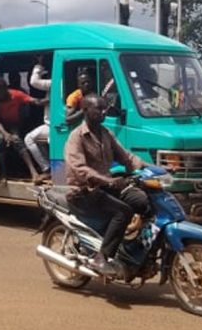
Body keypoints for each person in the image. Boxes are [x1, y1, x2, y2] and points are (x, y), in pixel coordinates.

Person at [64, 94, 151, 277]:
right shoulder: (76, 137)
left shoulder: (105, 133)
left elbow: (126, 157)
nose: (104, 112)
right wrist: (109, 181)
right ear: (86, 111)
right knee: (123, 212)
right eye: (99, 109)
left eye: (105, 109)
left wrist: (151, 167)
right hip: (84, 192)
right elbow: (80, 169)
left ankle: (133, 249)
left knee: (145, 201)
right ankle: (101, 257)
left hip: (105, 188)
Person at [0, 77, 46, 183]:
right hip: (1, 126)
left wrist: (48, 101)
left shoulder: (16, 95)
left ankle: (33, 172)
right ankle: (3, 173)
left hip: (14, 124)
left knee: (17, 141)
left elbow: (33, 101)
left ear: (4, 89)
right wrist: (6, 134)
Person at [24, 62, 52, 180]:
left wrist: (39, 65)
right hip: (53, 124)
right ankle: (50, 168)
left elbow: (34, 81)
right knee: (36, 139)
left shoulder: (54, 82)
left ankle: (46, 168)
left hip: (52, 125)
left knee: (28, 139)